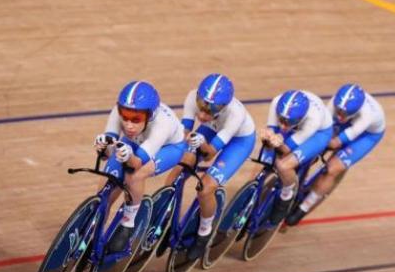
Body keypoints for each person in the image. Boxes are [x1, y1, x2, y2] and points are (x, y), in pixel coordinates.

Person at [165, 73, 256, 261]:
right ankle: (167, 219)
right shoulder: (192, 97)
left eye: (210, 111)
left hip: (238, 141)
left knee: (206, 188)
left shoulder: (235, 114)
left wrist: (200, 143)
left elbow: (210, 153)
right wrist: (188, 145)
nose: (202, 115)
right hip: (211, 129)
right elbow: (185, 133)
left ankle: (204, 233)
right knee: (177, 172)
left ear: (222, 107)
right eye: (201, 108)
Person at [94, 80, 186, 252]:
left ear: (149, 116)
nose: (128, 125)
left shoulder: (161, 125)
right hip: (135, 141)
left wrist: (127, 156)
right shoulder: (118, 111)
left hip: (168, 148)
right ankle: (93, 233)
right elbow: (108, 153)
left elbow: (136, 163)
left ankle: (128, 222)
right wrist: (102, 148)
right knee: (104, 192)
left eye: (136, 120)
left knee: (134, 176)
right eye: (125, 117)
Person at [285, 83, 385, 226]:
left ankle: (305, 206)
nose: (339, 115)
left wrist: (328, 142)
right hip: (349, 124)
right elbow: (323, 127)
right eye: (338, 111)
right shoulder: (336, 101)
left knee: (333, 168)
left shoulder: (367, 116)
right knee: (316, 143)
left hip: (365, 136)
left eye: (343, 114)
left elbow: (336, 143)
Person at [259, 89, 333, 225]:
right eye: (281, 120)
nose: (282, 125)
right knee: (266, 156)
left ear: (300, 118)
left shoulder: (313, 119)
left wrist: (277, 143)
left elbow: (286, 149)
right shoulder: (276, 102)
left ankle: (287, 195)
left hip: (319, 133)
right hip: (298, 125)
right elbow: (271, 132)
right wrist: (267, 138)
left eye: (288, 122)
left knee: (284, 165)